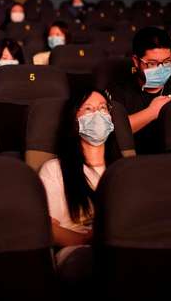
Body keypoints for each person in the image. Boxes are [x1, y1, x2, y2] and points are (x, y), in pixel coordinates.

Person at [38, 89, 120, 283]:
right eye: (89, 109)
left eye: (103, 108)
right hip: (76, 251)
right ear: (75, 120)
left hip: (120, 246)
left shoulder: (124, 169)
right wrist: (88, 239)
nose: (98, 114)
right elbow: (48, 227)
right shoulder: (54, 169)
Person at [107, 26, 171, 153]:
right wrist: (152, 112)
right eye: (152, 63)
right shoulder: (118, 90)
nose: (161, 69)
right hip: (138, 160)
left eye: (167, 62)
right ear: (136, 61)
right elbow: (108, 131)